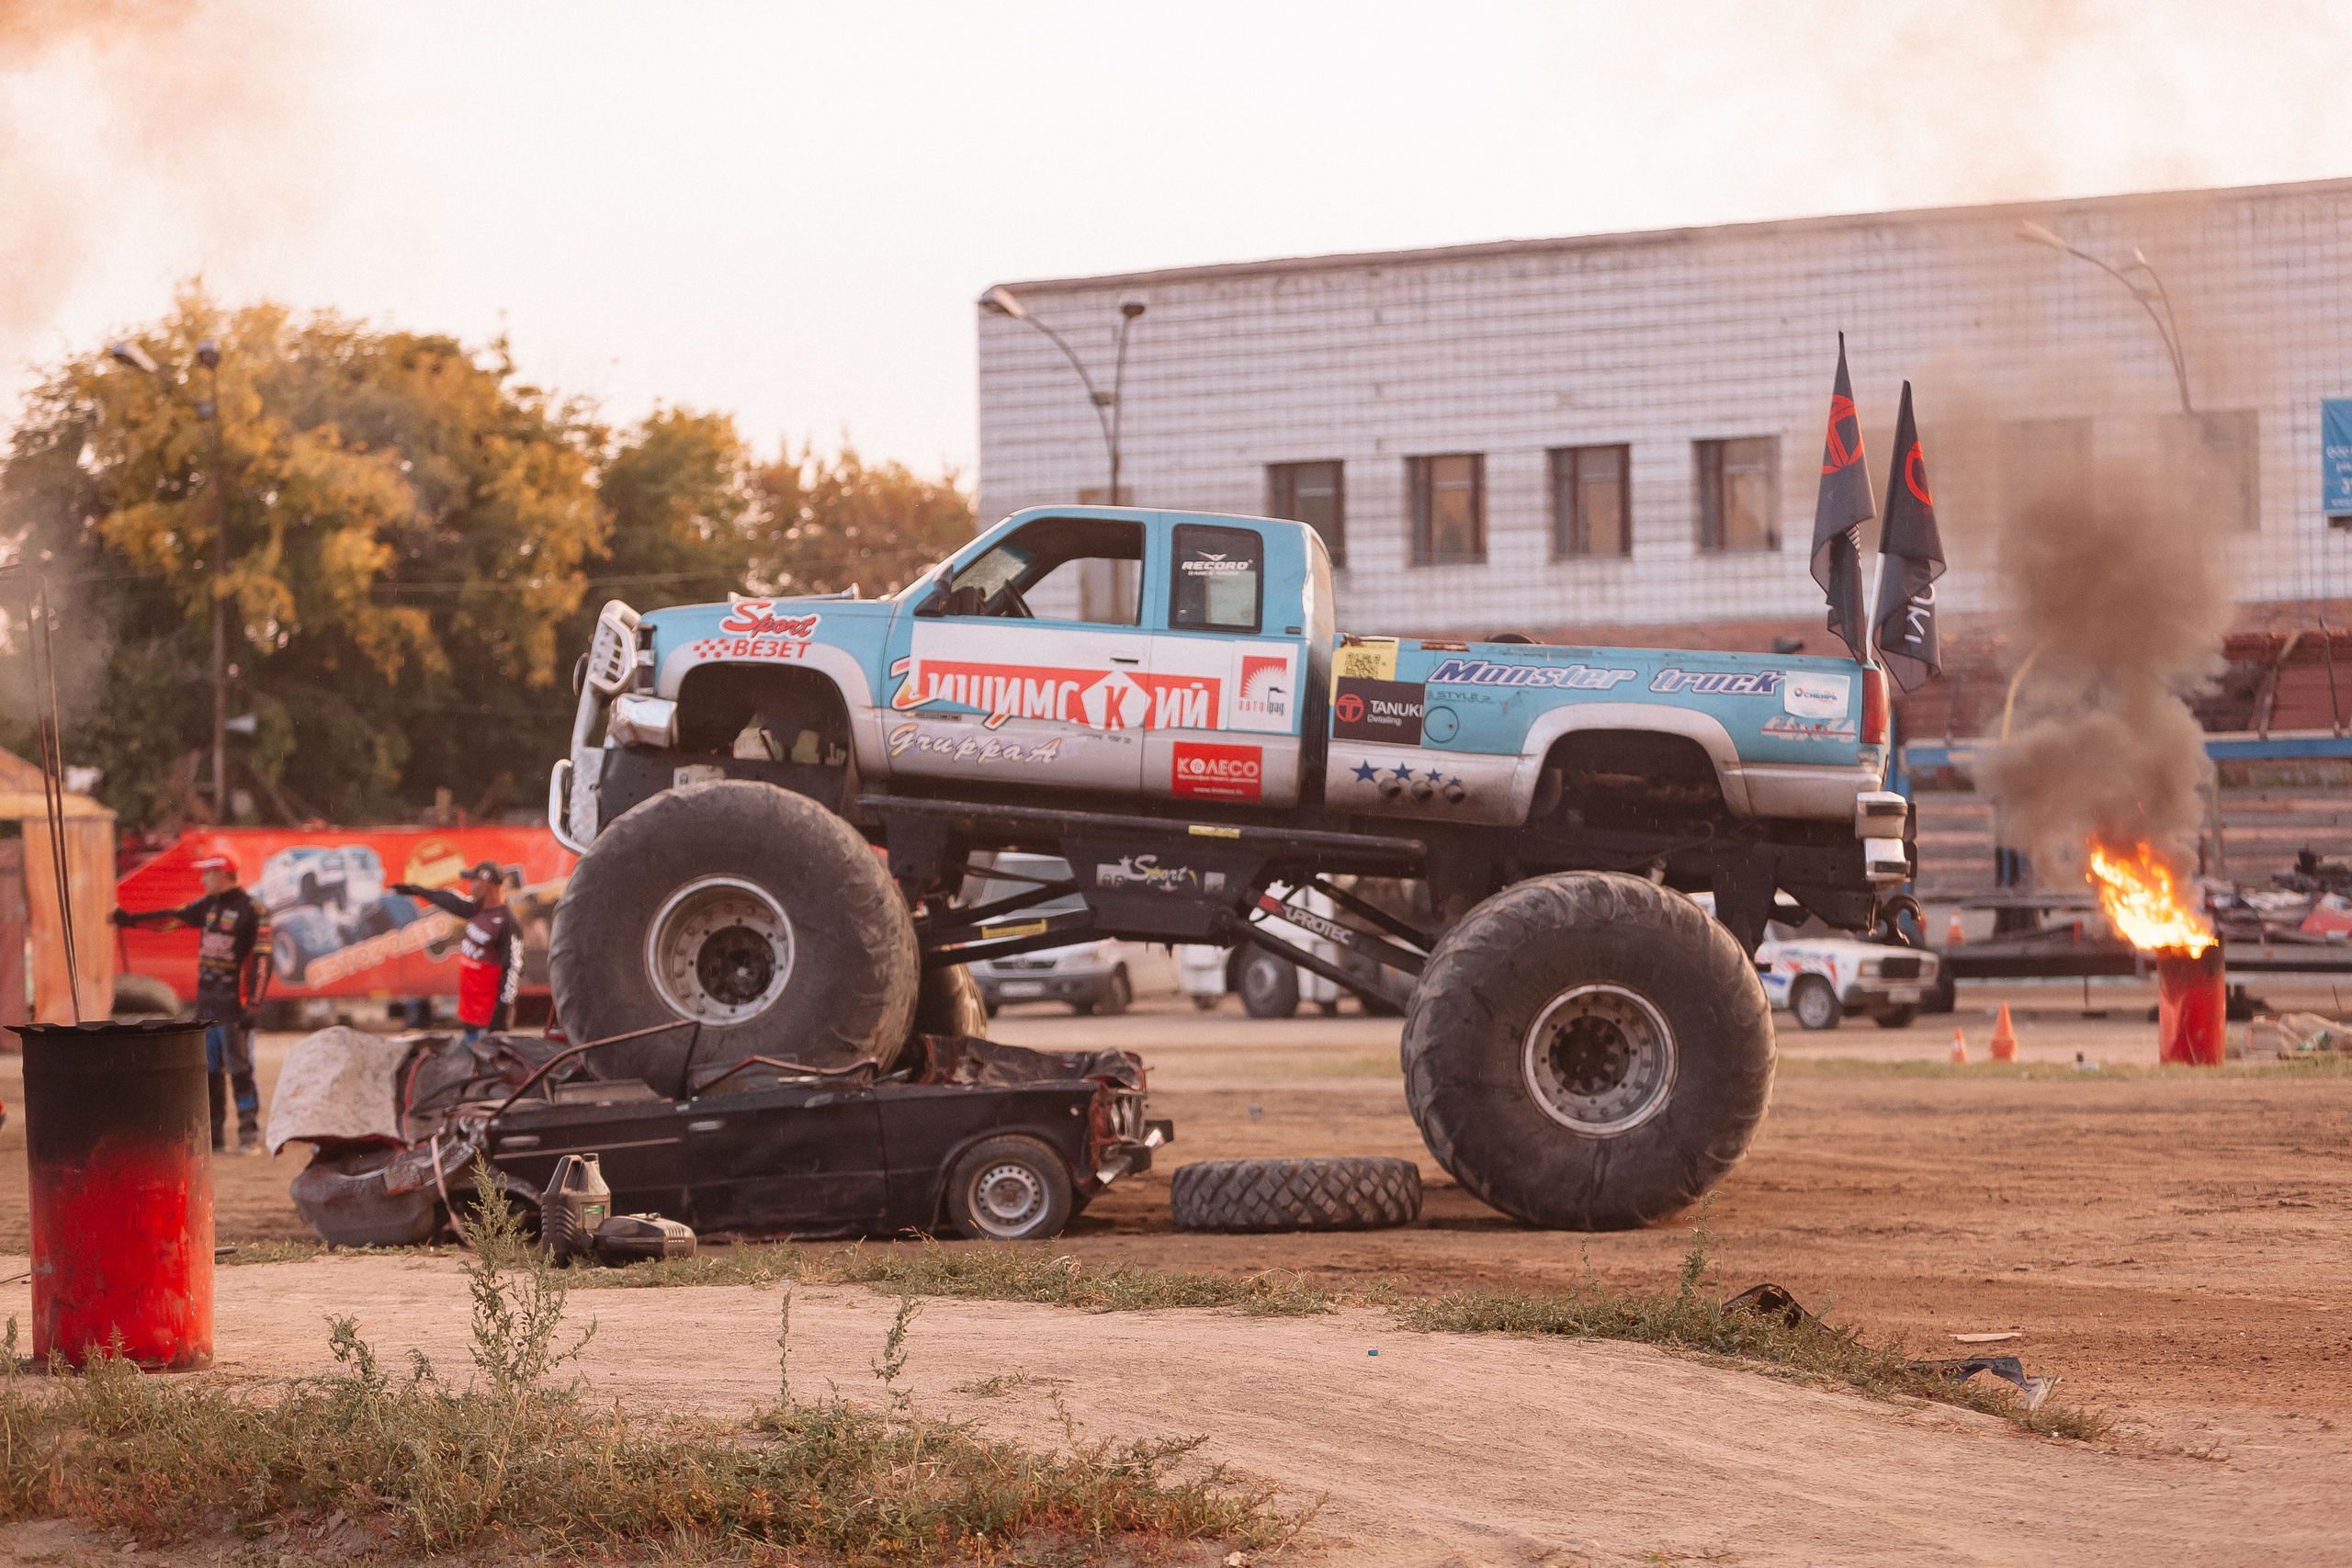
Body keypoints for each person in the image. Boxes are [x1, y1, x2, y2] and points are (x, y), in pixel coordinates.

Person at [113, 852, 271, 1154]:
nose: (202, 879)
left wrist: (253, 1006)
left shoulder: (255, 910)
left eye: (207, 873)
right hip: (207, 1005)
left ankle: (249, 1135)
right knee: (209, 1070)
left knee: (240, 1069)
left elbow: (264, 961)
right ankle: (215, 1139)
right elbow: (173, 918)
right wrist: (131, 920)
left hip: (235, 1007)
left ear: (224, 873)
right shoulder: (208, 906)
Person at [390, 861, 523, 1043]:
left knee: (488, 1068)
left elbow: (513, 968)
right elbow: (449, 900)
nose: (469, 888)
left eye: (473, 882)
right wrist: (416, 890)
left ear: (487, 885)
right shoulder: (476, 910)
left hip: (490, 1020)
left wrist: (500, 1016)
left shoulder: (507, 922)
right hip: (471, 1014)